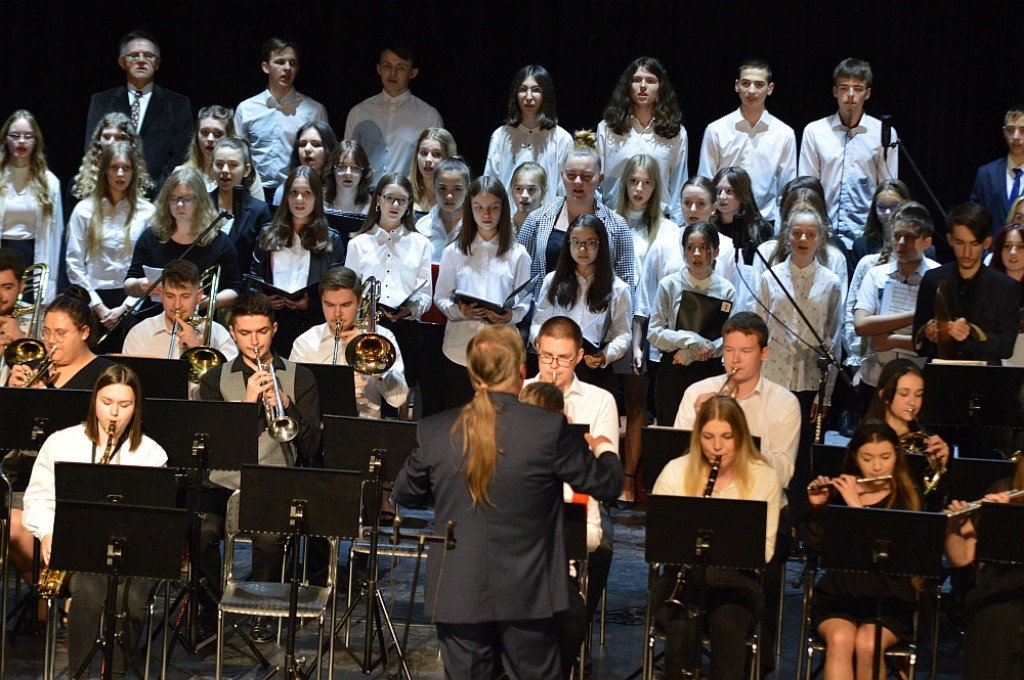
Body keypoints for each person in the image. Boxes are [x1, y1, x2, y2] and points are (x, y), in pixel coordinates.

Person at [392, 324, 622, 680]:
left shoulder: (435, 430)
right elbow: (607, 485)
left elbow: (405, 494)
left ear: (471, 375)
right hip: (529, 590)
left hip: (458, 588)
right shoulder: (546, 427)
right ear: (520, 372)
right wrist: (606, 448)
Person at [22, 364, 168, 678]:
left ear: (136, 407)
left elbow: (155, 521)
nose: (114, 413)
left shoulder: (152, 453)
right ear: (94, 401)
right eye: (107, 402)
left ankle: (114, 674)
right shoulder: (61, 443)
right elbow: (38, 498)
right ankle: (80, 673)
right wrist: (48, 534)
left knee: (132, 599)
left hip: (133, 557)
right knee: (87, 593)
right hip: (78, 551)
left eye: (125, 405)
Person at [197, 293, 320, 642]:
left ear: (274, 329)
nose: (254, 341)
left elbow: (311, 445)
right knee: (203, 530)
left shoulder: (300, 377)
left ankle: (262, 610)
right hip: (223, 481)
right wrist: (247, 407)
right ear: (233, 333)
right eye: (246, 333)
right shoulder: (214, 379)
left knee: (269, 538)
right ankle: (208, 607)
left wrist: (286, 405)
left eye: (262, 332)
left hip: (274, 478)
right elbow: (216, 449)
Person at [652, 395, 781, 680]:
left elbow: (766, 550)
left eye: (726, 437)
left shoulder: (764, 478)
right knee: (681, 625)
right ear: (698, 436)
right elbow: (660, 541)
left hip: (736, 582)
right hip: (681, 581)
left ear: (741, 437)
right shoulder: (675, 471)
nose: (717, 446)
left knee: (729, 625)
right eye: (708, 437)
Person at [802, 418, 923, 680]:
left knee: (869, 644)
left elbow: (904, 559)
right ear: (855, 457)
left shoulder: (907, 500)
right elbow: (816, 549)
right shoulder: (840, 492)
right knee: (841, 639)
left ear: (897, 456)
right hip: (840, 596)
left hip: (890, 600)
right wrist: (819, 509)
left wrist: (857, 509)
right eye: (868, 458)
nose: (877, 466)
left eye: (885, 457)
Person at [673, 312, 800, 491]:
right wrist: (701, 423)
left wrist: (740, 440)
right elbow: (679, 460)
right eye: (729, 350)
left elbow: (784, 475)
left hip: (756, 498)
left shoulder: (784, 403)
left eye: (746, 351)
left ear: (764, 353)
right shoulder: (696, 392)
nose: (735, 360)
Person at [435, 176, 532, 408]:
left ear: (503, 209)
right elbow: (440, 297)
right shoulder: (454, 252)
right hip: (460, 349)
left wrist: (510, 316)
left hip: (502, 351)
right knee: (461, 419)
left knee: (500, 421)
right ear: (470, 209)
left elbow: (524, 302)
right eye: (478, 207)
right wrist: (460, 310)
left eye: (493, 207)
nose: (486, 214)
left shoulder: (518, 254)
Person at [517, 131, 635, 304]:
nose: (578, 182)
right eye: (571, 175)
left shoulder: (617, 226)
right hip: (546, 318)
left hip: (596, 321)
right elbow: (521, 277)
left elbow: (627, 285)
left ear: (600, 179)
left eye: (587, 176)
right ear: (562, 175)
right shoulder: (536, 220)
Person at [756, 207, 842, 433]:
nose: (803, 239)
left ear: (820, 239)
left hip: (810, 381)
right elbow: (758, 332)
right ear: (787, 236)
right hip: (773, 377)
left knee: (801, 451)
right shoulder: (770, 277)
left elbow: (834, 338)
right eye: (797, 233)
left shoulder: (831, 282)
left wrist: (826, 395)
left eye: (810, 234)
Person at [798, 58, 899, 249]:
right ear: (835, 92)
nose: (850, 95)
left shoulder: (883, 133)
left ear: (867, 94)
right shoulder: (815, 131)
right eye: (844, 88)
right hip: (824, 236)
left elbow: (889, 190)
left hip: (867, 237)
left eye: (858, 88)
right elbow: (807, 189)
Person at [345, 172, 432, 392]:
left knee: (401, 391)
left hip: (404, 326)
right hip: (368, 329)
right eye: (389, 198)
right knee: (367, 391)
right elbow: (350, 293)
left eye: (401, 200)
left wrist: (407, 311)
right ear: (378, 200)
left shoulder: (421, 244)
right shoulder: (358, 244)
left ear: (409, 205)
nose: (395, 204)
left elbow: (425, 295)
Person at [289, 265, 408, 419]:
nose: (337, 314)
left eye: (345, 305)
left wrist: (376, 365)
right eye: (329, 305)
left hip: (366, 428)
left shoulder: (382, 337)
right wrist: (336, 392)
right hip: (319, 429)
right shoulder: (305, 343)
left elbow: (398, 399)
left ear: (359, 302)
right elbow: (295, 398)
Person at [530, 214, 630, 395]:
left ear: (601, 245)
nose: (582, 249)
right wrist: (543, 345)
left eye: (591, 243)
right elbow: (539, 323)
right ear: (568, 244)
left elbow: (623, 334)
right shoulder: (553, 281)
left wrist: (605, 355)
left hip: (594, 367)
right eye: (576, 242)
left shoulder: (618, 288)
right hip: (557, 364)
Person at [853, 202, 939, 410]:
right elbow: (861, 324)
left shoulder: (938, 277)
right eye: (896, 236)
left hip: (918, 383)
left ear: (926, 242)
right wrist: (917, 315)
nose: (900, 243)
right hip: (875, 379)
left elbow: (937, 341)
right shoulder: (876, 274)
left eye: (909, 238)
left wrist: (892, 340)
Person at [649, 221, 736, 426]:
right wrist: (690, 340)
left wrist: (698, 351)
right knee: (671, 432)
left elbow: (730, 338)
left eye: (704, 248)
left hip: (710, 370)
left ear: (716, 251)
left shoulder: (727, 290)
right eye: (690, 248)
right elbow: (654, 333)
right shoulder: (669, 284)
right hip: (674, 368)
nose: (696, 254)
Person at [124, 168, 243, 318]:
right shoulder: (151, 236)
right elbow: (129, 283)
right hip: (152, 320)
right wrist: (140, 285)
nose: (179, 205)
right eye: (173, 198)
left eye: (187, 199)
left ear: (200, 201)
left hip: (198, 322)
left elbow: (234, 290)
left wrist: (201, 302)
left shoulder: (219, 242)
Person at [945, 454, 1024, 679]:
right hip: (1000, 596)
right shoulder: (1005, 489)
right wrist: (955, 528)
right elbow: (961, 559)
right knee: (993, 619)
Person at [251, 166, 344, 355]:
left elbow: (338, 290)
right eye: (294, 193)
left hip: (313, 325)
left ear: (316, 197)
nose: (299, 199)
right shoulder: (267, 234)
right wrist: (263, 299)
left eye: (307, 193)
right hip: (274, 324)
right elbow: (252, 281)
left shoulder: (331, 239)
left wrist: (311, 304)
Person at [65, 141, 155, 339]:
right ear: (105, 170)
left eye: (126, 168)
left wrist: (125, 307)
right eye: (114, 167)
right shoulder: (84, 210)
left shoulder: (148, 212)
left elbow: (150, 265)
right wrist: (98, 307)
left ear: (134, 171)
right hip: (93, 298)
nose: (120, 174)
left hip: (134, 301)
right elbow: (74, 264)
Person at [912, 203, 1020, 364]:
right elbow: (917, 343)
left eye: (974, 244)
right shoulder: (932, 279)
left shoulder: (1005, 287)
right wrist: (931, 335)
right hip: (941, 377)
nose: (966, 253)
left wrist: (969, 335)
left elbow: (1006, 347)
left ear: (987, 243)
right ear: (950, 240)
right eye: (960, 243)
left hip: (985, 380)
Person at [84, 30, 192, 187]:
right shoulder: (101, 101)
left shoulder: (177, 104)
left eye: (148, 56)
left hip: (161, 196)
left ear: (157, 64)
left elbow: (181, 154)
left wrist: (156, 191)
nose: (141, 61)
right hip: (111, 190)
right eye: (134, 55)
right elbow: (92, 148)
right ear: (122, 62)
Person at [697, 58, 797, 226]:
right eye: (745, 83)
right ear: (737, 86)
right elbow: (706, 183)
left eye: (759, 85)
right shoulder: (716, 130)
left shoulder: (784, 134)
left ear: (769, 88)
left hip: (765, 222)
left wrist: (780, 233)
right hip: (722, 221)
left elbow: (786, 191)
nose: (751, 91)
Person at [234, 38, 328, 199]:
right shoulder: (246, 109)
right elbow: (236, 155)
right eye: (280, 62)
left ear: (298, 68)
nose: (287, 68)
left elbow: (324, 159)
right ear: (266, 67)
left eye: (292, 63)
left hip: (296, 193)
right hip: (254, 193)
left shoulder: (314, 110)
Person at [598, 57, 688, 223]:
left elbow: (679, 187)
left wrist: (677, 228)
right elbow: (597, 182)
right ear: (627, 86)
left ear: (660, 87)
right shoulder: (607, 128)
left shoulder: (675, 132)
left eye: (650, 81)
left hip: (658, 222)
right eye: (637, 80)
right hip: (614, 219)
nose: (643, 86)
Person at [524, 316, 619, 454]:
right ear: (537, 348)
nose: (554, 365)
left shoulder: (601, 401)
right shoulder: (517, 392)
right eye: (547, 356)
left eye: (563, 358)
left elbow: (605, 466)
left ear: (579, 356)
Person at [844, 180, 912, 371]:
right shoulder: (864, 251)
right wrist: (855, 355)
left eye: (894, 207)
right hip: (872, 351)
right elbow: (853, 309)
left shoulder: (926, 255)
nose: (888, 214)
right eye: (881, 207)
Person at [344, 46, 443, 176]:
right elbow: (346, 160)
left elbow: (439, 165)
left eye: (401, 68)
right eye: (387, 66)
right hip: (366, 194)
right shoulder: (359, 112)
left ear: (413, 73)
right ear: (379, 69)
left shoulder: (428, 116)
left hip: (409, 194)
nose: (393, 73)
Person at [484, 65, 571, 207]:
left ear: (546, 95)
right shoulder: (501, 135)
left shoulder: (562, 139)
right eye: (523, 90)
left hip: (547, 223)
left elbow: (564, 191)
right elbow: (490, 183)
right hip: (509, 222)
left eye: (536, 90)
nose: (528, 97)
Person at [0, 109, 62, 302]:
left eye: (28, 136)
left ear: (36, 142)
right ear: (5, 139)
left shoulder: (49, 182)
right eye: (15, 136)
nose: (21, 141)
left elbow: (55, 235)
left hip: (31, 257)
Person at [122, 258, 236, 361]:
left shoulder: (219, 335)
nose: (177, 305)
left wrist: (197, 349)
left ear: (199, 296)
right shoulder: (139, 334)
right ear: (161, 295)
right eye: (170, 296)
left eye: (185, 296)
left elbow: (231, 381)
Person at [8, 286, 114, 390]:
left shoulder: (108, 374)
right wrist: (11, 394)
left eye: (60, 333)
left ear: (84, 332)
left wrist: (42, 397)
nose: (51, 340)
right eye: (46, 332)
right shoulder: (27, 370)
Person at [864, 359, 950, 478]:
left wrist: (941, 468)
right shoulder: (865, 437)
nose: (912, 402)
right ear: (885, 396)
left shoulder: (926, 442)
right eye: (904, 394)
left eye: (918, 395)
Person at [209, 137, 272, 277]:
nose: (224, 170)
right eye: (219, 164)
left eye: (233, 165)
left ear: (246, 170)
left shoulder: (259, 211)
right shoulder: (201, 204)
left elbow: (262, 262)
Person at [179, 105, 265, 200]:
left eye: (218, 134)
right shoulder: (181, 172)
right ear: (196, 137)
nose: (210, 139)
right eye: (205, 132)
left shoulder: (246, 174)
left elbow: (258, 211)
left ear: (229, 137)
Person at [72, 112, 153, 202]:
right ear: (98, 141)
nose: (111, 142)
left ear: (130, 143)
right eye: (106, 137)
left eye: (119, 138)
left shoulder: (144, 188)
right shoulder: (80, 186)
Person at [969, 103, 1024, 230]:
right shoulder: (986, 174)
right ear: (1004, 132)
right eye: (1010, 130)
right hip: (991, 248)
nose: (1016, 137)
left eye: (1023, 130)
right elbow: (974, 221)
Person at [269, 120, 338, 206]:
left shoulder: (340, 190)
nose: (307, 149)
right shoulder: (284, 191)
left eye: (316, 144)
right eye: (302, 144)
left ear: (329, 149)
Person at [416, 158, 469, 263]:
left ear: (467, 189)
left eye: (457, 189)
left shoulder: (477, 228)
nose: (449, 196)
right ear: (434, 187)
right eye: (442, 188)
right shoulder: (422, 227)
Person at [989, 222, 1024, 365]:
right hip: (994, 359)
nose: (1013, 253)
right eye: (1007, 246)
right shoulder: (987, 285)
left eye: (1021, 247)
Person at [409, 127, 456, 215]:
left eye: (437, 154)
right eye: (424, 153)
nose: (428, 159)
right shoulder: (404, 193)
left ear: (448, 159)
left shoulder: (457, 199)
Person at [324, 140, 374, 215]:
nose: (348, 173)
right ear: (333, 170)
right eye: (341, 167)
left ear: (364, 172)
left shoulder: (372, 209)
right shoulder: (320, 204)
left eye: (355, 168)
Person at [0, 248, 27, 383]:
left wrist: (21, 340)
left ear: (21, 286)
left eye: (7, 287)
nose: (0, 296)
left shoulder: (40, 321)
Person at [510, 162, 548, 232]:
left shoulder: (550, 229)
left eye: (531, 189)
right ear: (512, 191)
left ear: (543, 192)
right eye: (519, 189)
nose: (524, 195)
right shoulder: (503, 227)